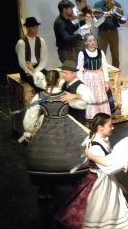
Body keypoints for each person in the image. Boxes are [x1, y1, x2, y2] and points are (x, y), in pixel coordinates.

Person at [53, 113, 128, 229]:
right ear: (100, 128)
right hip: (98, 184)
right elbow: (107, 168)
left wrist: (123, 161)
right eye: (110, 125)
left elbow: (109, 159)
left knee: (108, 214)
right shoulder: (95, 146)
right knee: (95, 216)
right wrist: (126, 160)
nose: (113, 128)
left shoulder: (101, 140)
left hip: (104, 181)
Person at [22, 69, 90, 200]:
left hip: (46, 125)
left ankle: (46, 188)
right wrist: (76, 96)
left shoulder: (40, 96)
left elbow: (30, 117)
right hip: (66, 125)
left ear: (47, 81)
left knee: (43, 154)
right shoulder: (65, 95)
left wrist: (29, 131)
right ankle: (73, 180)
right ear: (58, 80)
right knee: (74, 148)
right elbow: (83, 105)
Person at [77, 33, 110, 120]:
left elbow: (104, 67)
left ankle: (101, 116)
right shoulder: (82, 53)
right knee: (91, 96)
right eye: (90, 41)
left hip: (99, 77)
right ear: (86, 42)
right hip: (88, 78)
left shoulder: (100, 52)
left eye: (94, 40)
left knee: (100, 95)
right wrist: (81, 84)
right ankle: (92, 117)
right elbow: (79, 69)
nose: (92, 42)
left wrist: (106, 81)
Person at [94, 0, 126, 69]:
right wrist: (105, 15)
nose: (109, 0)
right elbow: (96, 20)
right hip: (102, 32)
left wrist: (121, 17)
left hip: (113, 32)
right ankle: (102, 74)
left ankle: (116, 73)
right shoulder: (97, 5)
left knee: (115, 55)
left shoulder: (116, 5)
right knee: (101, 55)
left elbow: (121, 21)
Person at [15, 16, 47, 92]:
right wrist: (32, 72)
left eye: (37, 27)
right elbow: (22, 63)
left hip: (38, 68)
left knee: (50, 81)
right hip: (26, 70)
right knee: (38, 85)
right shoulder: (21, 43)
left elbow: (44, 59)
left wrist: (35, 70)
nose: (36, 30)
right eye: (34, 28)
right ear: (27, 28)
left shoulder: (41, 41)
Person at [60, 60, 93, 125]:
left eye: (66, 73)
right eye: (62, 72)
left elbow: (90, 98)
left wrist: (75, 96)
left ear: (74, 74)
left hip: (78, 118)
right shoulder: (64, 83)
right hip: (67, 116)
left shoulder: (80, 86)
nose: (63, 75)